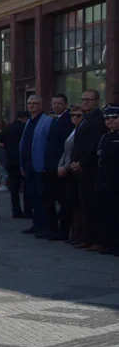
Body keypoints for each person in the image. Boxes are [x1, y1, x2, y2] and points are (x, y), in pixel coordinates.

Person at [69, 89, 105, 248]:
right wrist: (73, 161)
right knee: (84, 205)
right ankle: (88, 238)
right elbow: (77, 144)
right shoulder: (85, 118)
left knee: (93, 206)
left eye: (89, 100)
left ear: (96, 101)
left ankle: (96, 240)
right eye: (83, 99)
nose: (85, 102)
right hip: (79, 168)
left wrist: (81, 163)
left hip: (90, 170)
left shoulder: (98, 119)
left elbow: (93, 146)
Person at [39, 94, 73, 240]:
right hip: (50, 167)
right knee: (48, 198)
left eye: (59, 103)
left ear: (66, 104)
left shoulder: (68, 120)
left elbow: (64, 147)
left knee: (62, 200)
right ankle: (51, 228)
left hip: (59, 167)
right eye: (54, 103)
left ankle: (62, 231)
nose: (56, 106)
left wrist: (61, 166)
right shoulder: (54, 119)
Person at [20, 95, 52, 236]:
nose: (31, 106)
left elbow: (48, 145)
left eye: (34, 103)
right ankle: (37, 223)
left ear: (40, 105)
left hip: (40, 166)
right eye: (29, 103)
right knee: (31, 195)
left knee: (42, 197)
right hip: (27, 165)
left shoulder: (47, 121)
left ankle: (45, 225)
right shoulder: (29, 122)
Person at [93, 105, 119, 255]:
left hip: (117, 182)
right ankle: (109, 243)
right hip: (105, 182)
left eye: (114, 118)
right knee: (107, 215)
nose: (111, 121)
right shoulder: (106, 136)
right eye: (107, 118)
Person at [56, 105, 83, 242]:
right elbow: (66, 151)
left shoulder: (81, 131)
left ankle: (71, 234)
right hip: (65, 169)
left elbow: (74, 153)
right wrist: (60, 166)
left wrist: (65, 167)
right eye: (73, 115)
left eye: (79, 115)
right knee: (65, 202)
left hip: (72, 170)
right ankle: (64, 232)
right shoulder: (73, 130)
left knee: (70, 203)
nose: (75, 118)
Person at [1, 112, 28, 218]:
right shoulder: (24, 127)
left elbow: (2, 142)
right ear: (25, 118)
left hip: (10, 160)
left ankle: (16, 211)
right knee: (26, 186)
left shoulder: (7, 128)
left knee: (14, 187)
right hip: (22, 160)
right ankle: (28, 210)